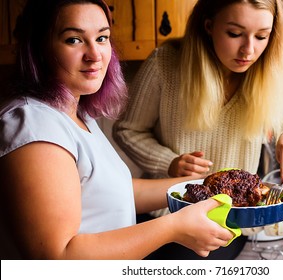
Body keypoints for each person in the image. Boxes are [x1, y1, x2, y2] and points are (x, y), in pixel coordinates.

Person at [0, 0, 235, 260]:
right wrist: (174, 227)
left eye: (102, 38)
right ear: (39, 47)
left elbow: (114, 191)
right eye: (74, 40)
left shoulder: (77, 114)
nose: (94, 54)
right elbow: (59, 257)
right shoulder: (34, 125)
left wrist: (203, 183)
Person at [112, 0, 283, 259]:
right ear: (209, 26)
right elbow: (127, 130)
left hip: (226, 225)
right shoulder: (166, 65)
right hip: (163, 215)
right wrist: (168, 162)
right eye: (234, 34)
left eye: (262, 36)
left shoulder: (272, 76)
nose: (248, 50)